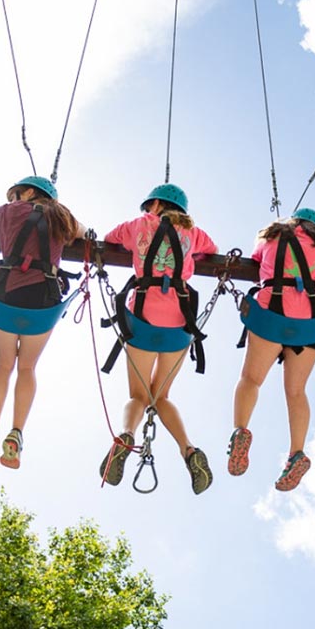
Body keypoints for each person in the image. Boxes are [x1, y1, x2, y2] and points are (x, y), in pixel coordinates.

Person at [99, 183, 217, 494]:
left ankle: (126, 434)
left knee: (139, 396)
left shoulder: (136, 225)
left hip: (143, 319)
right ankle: (188, 449)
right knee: (161, 397)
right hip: (179, 323)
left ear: (153, 205)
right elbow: (212, 251)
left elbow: (110, 239)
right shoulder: (194, 233)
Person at [0, 175, 85, 469]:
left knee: (3, 365)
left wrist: (14, 212)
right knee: (27, 367)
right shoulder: (62, 216)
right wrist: (57, 212)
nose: (13, 199)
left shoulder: (4, 212)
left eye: (16, 194)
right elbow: (84, 233)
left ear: (27, 193)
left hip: (5, 297)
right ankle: (17, 433)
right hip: (43, 300)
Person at [227, 207, 315, 492]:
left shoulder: (270, 236)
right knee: (296, 391)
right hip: (312, 322)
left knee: (251, 379)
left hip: (273, 313)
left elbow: (256, 261)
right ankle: (296, 452)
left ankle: (240, 430)